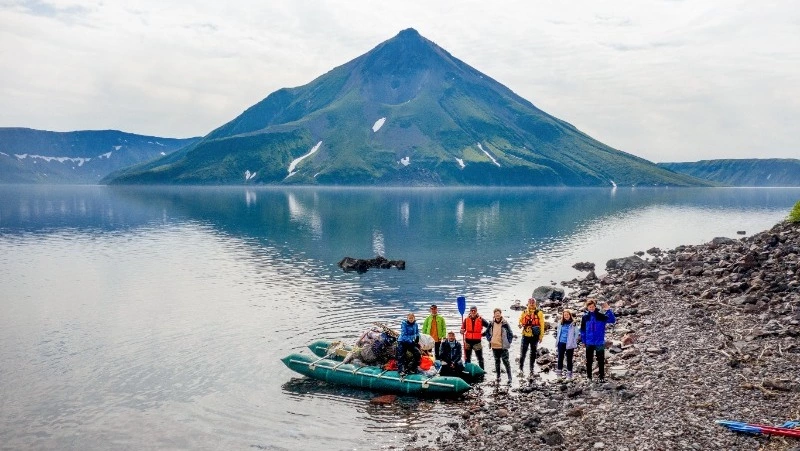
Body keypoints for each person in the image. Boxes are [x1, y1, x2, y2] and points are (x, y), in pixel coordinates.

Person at [580, 298, 616, 383]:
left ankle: (601, 376)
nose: (591, 308)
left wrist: (608, 310)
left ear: (595, 306)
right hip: (589, 342)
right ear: (587, 307)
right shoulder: (585, 317)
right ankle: (589, 377)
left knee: (601, 360)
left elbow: (612, 320)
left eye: (593, 307)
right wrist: (583, 341)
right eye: (590, 307)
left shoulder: (601, 316)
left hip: (599, 342)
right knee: (589, 360)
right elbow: (582, 330)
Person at [517, 297, 545, 380]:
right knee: (523, 353)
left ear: (535, 304)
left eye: (533, 303)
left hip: (535, 336)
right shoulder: (524, 312)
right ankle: (521, 368)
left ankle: (531, 369)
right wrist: (520, 324)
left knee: (533, 353)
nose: (532, 304)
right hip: (525, 335)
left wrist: (541, 336)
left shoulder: (539, 313)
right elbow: (520, 320)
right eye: (530, 303)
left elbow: (542, 325)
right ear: (528, 304)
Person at [484, 308, 514, 385]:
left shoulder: (505, 323)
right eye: (496, 313)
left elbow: (511, 333)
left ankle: (509, 377)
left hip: (503, 346)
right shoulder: (491, 323)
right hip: (494, 346)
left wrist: (508, 342)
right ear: (494, 315)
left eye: (498, 313)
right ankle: (498, 376)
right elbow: (487, 332)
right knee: (497, 361)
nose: (497, 315)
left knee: (506, 361)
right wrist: (489, 339)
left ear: (500, 314)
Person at [555, 309, 579, 379]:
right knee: (560, 358)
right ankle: (559, 373)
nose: (566, 316)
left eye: (567, 315)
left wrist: (573, 341)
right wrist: (557, 340)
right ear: (563, 316)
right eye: (565, 315)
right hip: (561, 342)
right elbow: (558, 332)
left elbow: (576, 333)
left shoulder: (573, 323)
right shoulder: (560, 323)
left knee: (569, 359)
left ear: (570, 315)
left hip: (569, 343)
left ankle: (569, 373)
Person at [396, 313, 421, 377]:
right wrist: (411, 341)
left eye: (412, 318)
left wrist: (417, 338)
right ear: (407, 318)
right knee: (401, 355)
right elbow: (404, 335)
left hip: (411, 341)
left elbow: (417, 332)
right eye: (409, 318)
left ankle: (412, 368)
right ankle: (401, 371)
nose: (411, 319)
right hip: (402, 341)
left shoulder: (415, 324)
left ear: (414, 318)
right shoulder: (404, 324)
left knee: (417, 353)